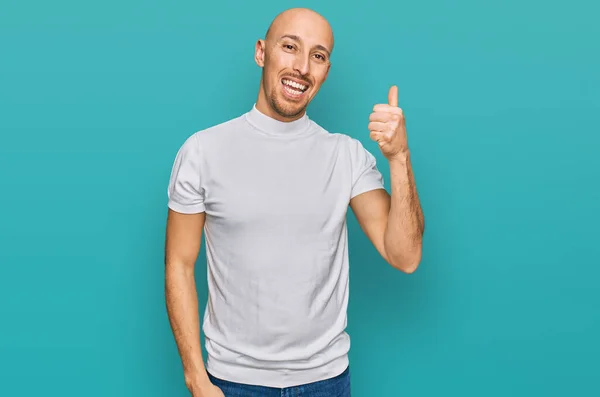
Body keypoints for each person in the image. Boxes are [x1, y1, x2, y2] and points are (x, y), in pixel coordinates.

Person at [164, 7, 425, 397]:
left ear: (325, 71)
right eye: (290, 47)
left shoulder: (346, 156)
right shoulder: (203, 151)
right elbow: (179, 264)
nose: (302, 67)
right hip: (232, 382)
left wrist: (400, 158)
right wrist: (195, 378)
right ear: (261, 52)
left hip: (326, 381)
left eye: (317, 56)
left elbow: (405, 256)